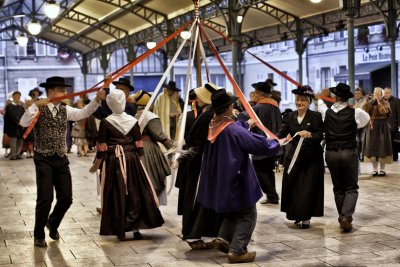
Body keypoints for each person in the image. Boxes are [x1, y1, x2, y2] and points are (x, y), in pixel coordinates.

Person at [20, 76, 106, 247]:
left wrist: (96, 100)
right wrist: (36, 105)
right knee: (45, 198)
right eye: (61, 90)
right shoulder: (39, 108)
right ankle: (38, 235)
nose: (65, 93)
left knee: (66, 198)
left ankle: (52, 223)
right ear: (51, 91)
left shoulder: (65, 109)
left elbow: (83, 113)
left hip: (61, 158)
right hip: (43, 158)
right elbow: (23, 122)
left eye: (65, 90)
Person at [197, 89, 280, 263]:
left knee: (234, 209)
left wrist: (245, 124)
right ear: (228, 107)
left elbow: (238, 132)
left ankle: (224, 239)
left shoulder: (215, 124)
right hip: (236, 177)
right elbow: (253, 143)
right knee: (248, 213)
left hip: (223, 177)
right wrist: (275, 143)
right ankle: (237, 251)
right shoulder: (231, 129)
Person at [89, 89, 164, 240]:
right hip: (132, 160)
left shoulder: (106, 122)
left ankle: (120, 228)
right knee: (136, 192)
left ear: (109, 104)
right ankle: (136, 228)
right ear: (124, 102)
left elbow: (102, 146)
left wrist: (96, 164)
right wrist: (139, 161)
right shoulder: (133, 121)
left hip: (113, 162)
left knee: (116, 193)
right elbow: (138, 144)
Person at [317, 83, 370, 232]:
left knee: (338, 187)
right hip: (348, 151)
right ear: (348, 98)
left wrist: (321, 96)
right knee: (351, 187)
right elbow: (365, 121)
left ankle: (343, 216)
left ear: (335, 96)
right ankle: (345, 217)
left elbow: (320, 104)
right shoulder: (355, 112)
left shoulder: (326, 112)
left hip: (331, 153)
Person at [174, 82, 221, 249]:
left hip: (201, 163)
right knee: (196, 199)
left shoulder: (207, 114)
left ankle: (197, 234)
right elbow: (197, 144)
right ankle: (193, 235)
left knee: (196, 198)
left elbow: (196, 143)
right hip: (201, 163)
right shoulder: (208, 114)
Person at [277, 86, 324, 229]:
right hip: (293, 158)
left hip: (312, 159)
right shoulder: (289, 116)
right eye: (298, 100)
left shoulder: (315, 116)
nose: (300, 102)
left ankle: (306, 217)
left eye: (303, 100)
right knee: (294, 187)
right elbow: (282, 133)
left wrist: (310, 135)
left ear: (308, 101)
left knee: (308, 188)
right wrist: (281, 137)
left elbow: (321, 134)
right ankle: (296, 214)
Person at [133, 90, 173, 205]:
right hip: (149, 149)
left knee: (141, 178)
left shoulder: (135, 115)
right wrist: (172, 148)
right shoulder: (150, 117)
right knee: (152, 177)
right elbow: (159, 135)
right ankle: (152, 204)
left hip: (137, 149)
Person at [251, 81, 282, 204]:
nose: (254, 95)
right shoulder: (275, 106)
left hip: (260, 144)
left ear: (260, 94)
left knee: (259, 170)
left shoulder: (257, 108)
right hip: (273, 143)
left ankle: (272, 194)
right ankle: (271, 196)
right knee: (269, 170)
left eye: (255, 93)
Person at [363, 87, 393, 176]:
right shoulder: (371, 103)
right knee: (373, 147)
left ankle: (382, 169)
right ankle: (375, 169)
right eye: (374, 92)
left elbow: (383, 112)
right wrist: (367, 102)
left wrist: (379, 102)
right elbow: (365, 111)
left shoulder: (386, 102)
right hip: (372, 126)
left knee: (382, 147)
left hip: (382, 126)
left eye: (378, 93)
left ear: (382, 94)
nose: (376, 94)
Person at [4, 91, 25, 160]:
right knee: (13, 141)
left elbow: (23, 115)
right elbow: (11, 116)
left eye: (19, 96)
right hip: (13, 127)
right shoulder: (10, 106)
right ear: (13, 97)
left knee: (19, 140)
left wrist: (22, 122)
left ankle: (17, 154)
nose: (18, 97)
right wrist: (18, 121)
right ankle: (13, 154)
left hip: (20, 126)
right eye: (16, 96)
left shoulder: (20, 107)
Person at [384, 87, 400, 161]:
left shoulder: (396, 101)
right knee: (386, 142)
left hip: (393, 124)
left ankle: (395, 157)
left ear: (391, 93)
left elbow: (399, 113)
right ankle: (387, 156)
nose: (386, 94)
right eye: (385, 93)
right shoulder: (382, 101)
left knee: (394, 142)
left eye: (388, 93)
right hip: (384, 125)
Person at [353, 88, 367, 161]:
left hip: (363, 124)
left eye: (358, 93)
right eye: (356, 93)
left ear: (361, 94)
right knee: (357, 140)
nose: (357, 95)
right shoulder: (354, 103)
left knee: (362, 140)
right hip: (356, 124)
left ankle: (362, 155)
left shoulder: (365, 102)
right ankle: (357, 156)